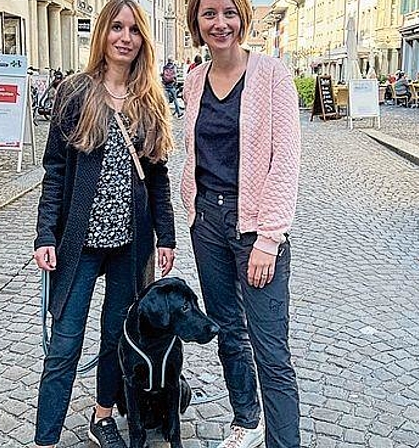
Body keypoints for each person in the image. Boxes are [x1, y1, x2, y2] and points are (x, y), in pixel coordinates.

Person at [32, 0, 176, 446]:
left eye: (134, 30)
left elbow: (158, 175)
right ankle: (46, 436)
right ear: (102, 33)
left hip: (131, 245)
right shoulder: (75, 92)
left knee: (117, 336)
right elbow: (55, 169)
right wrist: (44, 234)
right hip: (79, 244)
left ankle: (102, 416)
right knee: (65, 342)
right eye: (117, 27)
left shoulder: (150, 100)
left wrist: (166, 237)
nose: (125, 37)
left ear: (143, 40)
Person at [181, 0, 301, 446]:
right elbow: (195, 153)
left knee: (271, 349)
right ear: (196, 22)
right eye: (208, 13)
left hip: (255, 226)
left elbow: (284, 161)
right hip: (206, 222)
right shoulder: (194, 81)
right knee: (228, 329)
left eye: (229, 12)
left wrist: (269, 238)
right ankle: (247, 421)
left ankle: (283, 442)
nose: (220, 23)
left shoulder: (271, 74)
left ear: (243, 18)